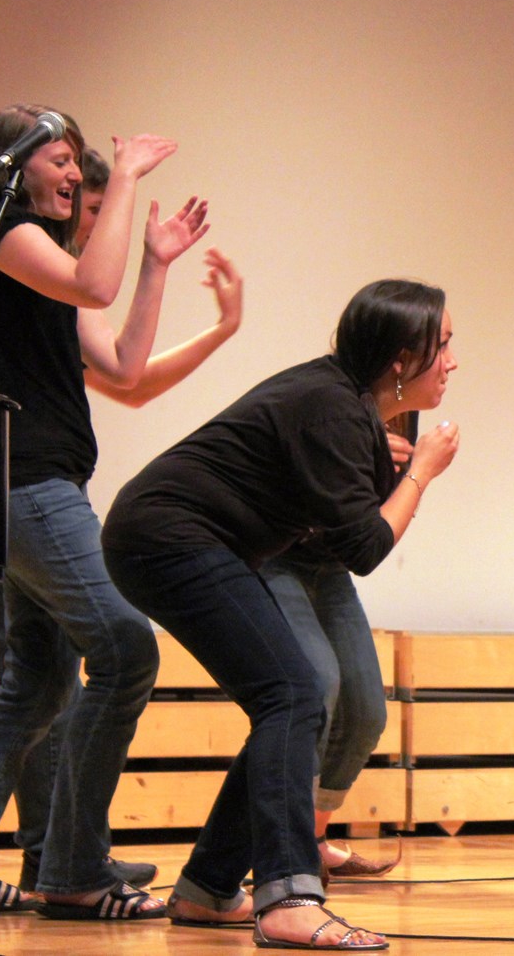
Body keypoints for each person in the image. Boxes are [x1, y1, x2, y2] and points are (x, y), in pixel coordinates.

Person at [102, 278, 459, 949]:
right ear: (402, 357)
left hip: (178, 538)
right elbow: (365, 548)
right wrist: (422, 472)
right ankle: (289, 896)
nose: (452, 361)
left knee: (291, 695)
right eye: (442, 346)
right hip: (166, 537)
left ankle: (208, 887)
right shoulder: (333, 408)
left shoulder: (347, 407)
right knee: (294, 692)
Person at [0, 146, 244, 895]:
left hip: (37, 490)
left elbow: (125, 373)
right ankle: (73, 865)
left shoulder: (50, 281)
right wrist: (131, 177)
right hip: (28, 488)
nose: (90, 206)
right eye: (83, 193)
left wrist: (160, 268)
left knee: (40, 682)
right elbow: (94, 285)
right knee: (126, 646)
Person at [259, 421, 414, 881]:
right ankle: (286, 848)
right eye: (441, 346)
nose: (447, 378)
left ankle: (312, 838)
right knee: (316, 686)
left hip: (330, 567)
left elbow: (369, 541)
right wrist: (413, 469)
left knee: (366, 712)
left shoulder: (402, 418)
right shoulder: (337, 401)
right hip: (274, 553)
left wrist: (409, 477)